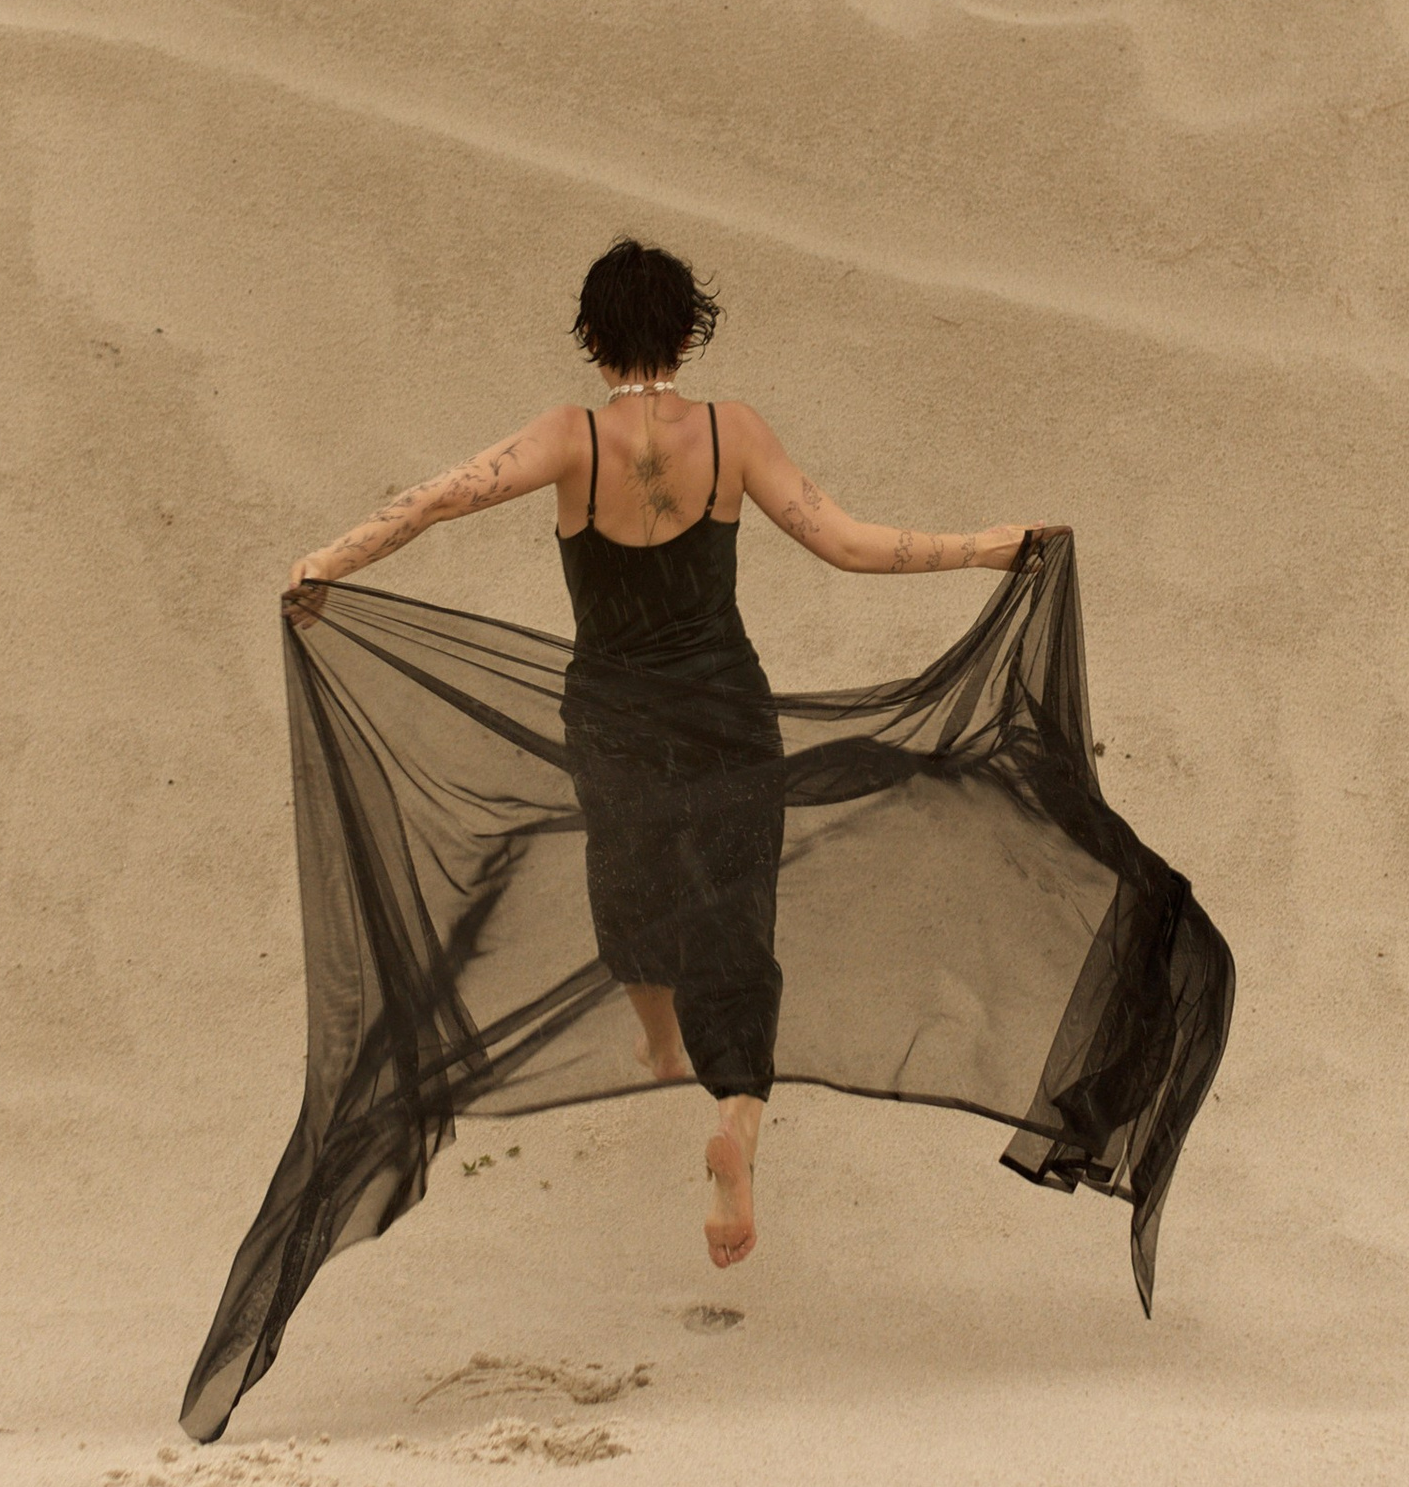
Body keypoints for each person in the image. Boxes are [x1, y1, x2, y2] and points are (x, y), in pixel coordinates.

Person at [283, 236, 1058, 1272]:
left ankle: (657, 1038)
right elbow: (846, 541)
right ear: (690, 333)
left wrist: (329, 560)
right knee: (738, 919)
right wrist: (989, 545)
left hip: (613, 716)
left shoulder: (570, 439)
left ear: (593, 339)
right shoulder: (731, 433)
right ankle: (735, 1127)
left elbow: (439, 497)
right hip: (727, 709)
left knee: (631, 880)